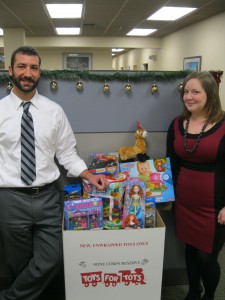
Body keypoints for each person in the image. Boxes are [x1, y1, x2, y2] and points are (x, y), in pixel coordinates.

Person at [0, 46, 109, 300]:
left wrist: (88, 175)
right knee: (18, 264)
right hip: (9, 199)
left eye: (34, 67)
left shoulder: (54, 111)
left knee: (52, 257)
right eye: (22, 66)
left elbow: (67, 154)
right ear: (10, 71)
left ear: (40, 72)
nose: (28, 73)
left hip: (48, 197)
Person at [166, 71, 225, 300]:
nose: (188, 97)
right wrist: (166, 194)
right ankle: (193, 291)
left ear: (210, 94)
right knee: (190, 249)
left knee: (207, 257)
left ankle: (209, 295)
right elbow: (171, 163)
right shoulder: (177, 123)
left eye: (195, 92)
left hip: (214, 206)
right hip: (184, 202)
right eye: (186, 92)